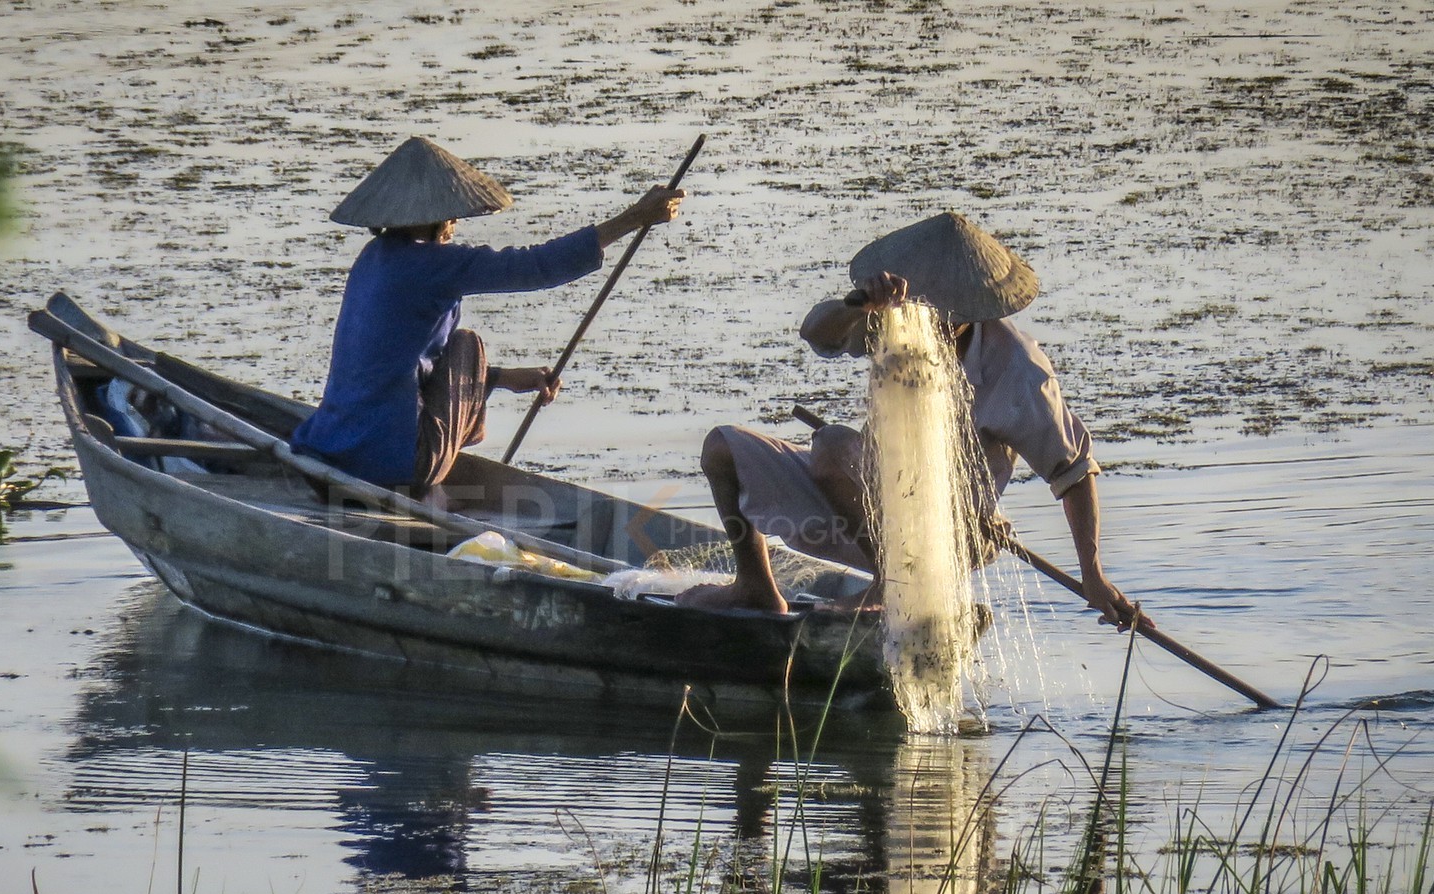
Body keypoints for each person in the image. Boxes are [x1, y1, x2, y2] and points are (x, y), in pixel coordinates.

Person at [677, 211, 1150, 630]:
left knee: (835, 449)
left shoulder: (1019, 372)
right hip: (863, 507)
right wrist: (857, 304)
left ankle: (896, 589)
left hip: (954, 532)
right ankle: (756, 587)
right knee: (724, 448)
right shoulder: (890, 318)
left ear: (967, 313)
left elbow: (1072, 472)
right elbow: (816, 332)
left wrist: (1093, 573)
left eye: (937, 312)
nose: (922, 318)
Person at [292, 136, 683, 498]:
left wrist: (500, 379)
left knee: (459, 353)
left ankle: (437, 469)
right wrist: (634, 218)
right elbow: (536, 266)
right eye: (449, 214)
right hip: (392, 466)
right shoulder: (434, 265)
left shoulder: (371, 260)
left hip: (332, 447)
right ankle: (434, 485)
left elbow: (396, 359)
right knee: (467, 344)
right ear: (428, 218)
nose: (454, 223)